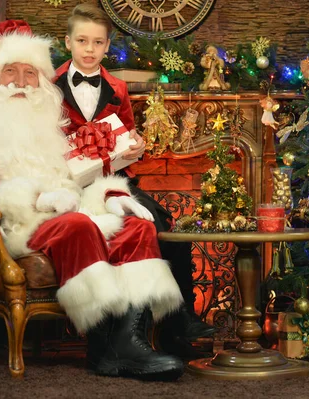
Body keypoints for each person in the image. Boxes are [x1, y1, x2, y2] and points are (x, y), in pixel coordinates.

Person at [0, 19, 185, 380]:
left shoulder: (49, 125)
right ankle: (106, 346)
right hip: (14, 225)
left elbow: (74, 181)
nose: (22, 83)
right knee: (76, 226)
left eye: (30, 73)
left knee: (136, 226)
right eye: (11, 71)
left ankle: (128, 342)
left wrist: (110, 196)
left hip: (66, 212)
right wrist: (37, 199)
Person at [53, 4, 216, 359]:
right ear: (68, 42)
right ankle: (169, 329)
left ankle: (179, 322)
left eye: (97, 42)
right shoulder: (50, 86)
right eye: (82, 40)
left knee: (164, 223)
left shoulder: (117, 88)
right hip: (70, 185)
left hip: (113, 180)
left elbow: (127, 135)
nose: (89, 49)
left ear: (107, 46)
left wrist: (136, 144)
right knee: (146, 222)